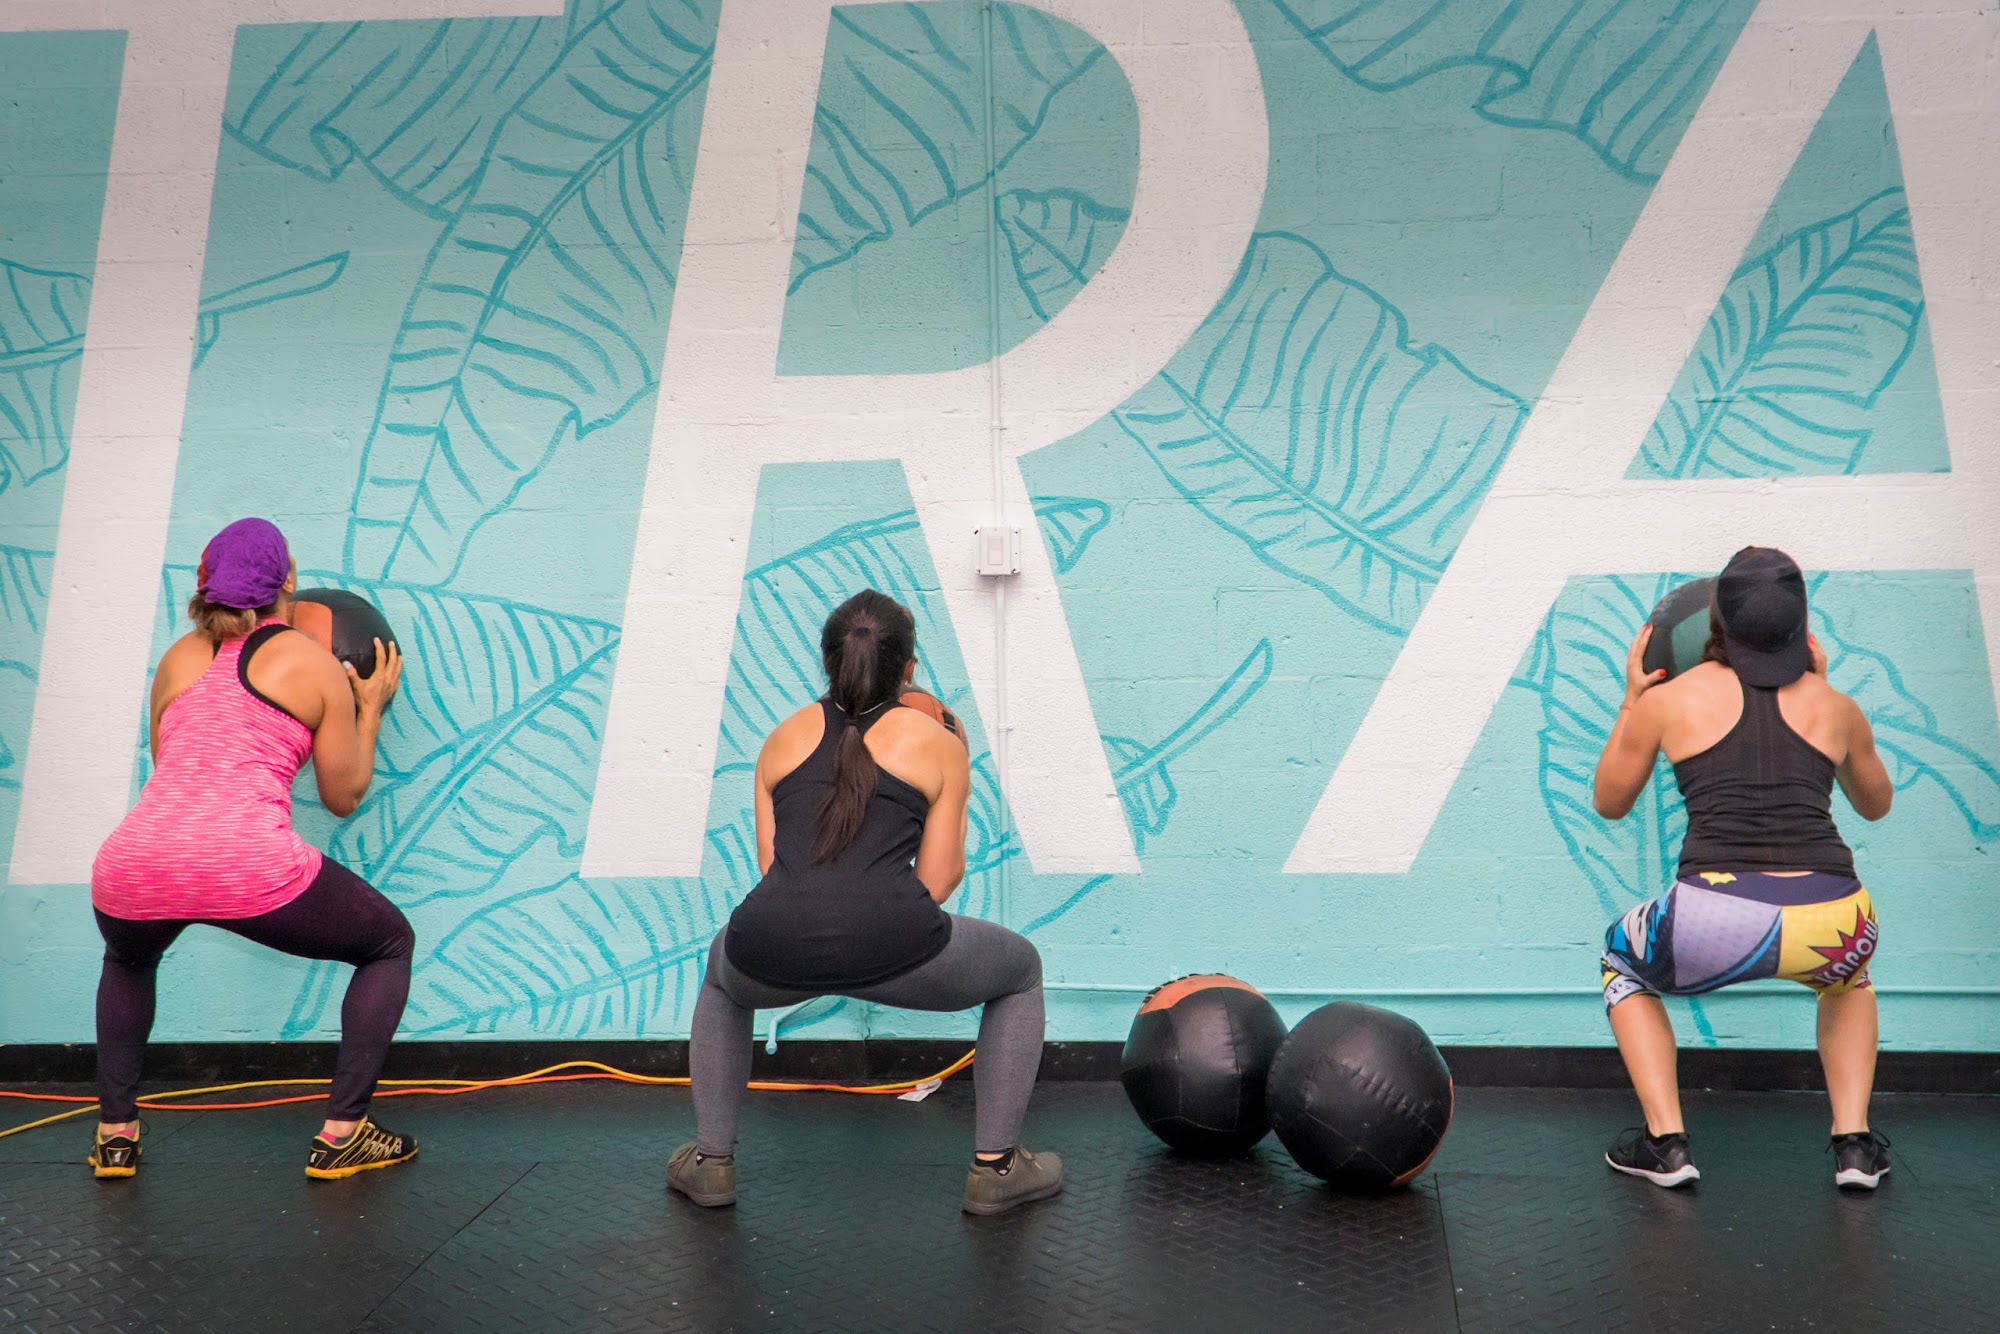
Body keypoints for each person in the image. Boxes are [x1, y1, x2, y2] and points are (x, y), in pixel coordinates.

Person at [671, 589, 1060, 1216]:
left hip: (772, 942)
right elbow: (940, 879)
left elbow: (775, 870)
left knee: (722, 975)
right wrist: (870, 929)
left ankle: (711, 1162)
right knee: (1022, 970)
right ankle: (998, 1169)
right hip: (894, 943)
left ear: (827, 660)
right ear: (908, 669)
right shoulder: (938, 741)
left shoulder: (780, 738)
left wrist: (831, 931)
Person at [87, 517, 414, 1181]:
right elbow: (343, 794)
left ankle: (115, 1136)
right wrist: (368, 709)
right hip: (244, 860)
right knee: (388, 944)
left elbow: (171, 766)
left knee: (128, 958)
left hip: (133, 859)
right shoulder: (312, 662)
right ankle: (344, 1133)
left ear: (205, 582)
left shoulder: (176, 658)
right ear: (287, 580)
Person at [1593, 547, 1895, 1190]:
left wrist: (1631, 702)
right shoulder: (1837, 707)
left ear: (1716, 621)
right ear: (1800, 628)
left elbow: (1609, 803)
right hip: (1837, 918)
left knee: (1620, 959)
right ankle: (1855, 1147)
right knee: (1850, 978)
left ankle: (1666, 1145)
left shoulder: (1669, 700)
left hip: (1715, 919)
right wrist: (1823, 691)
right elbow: (1876, 805)